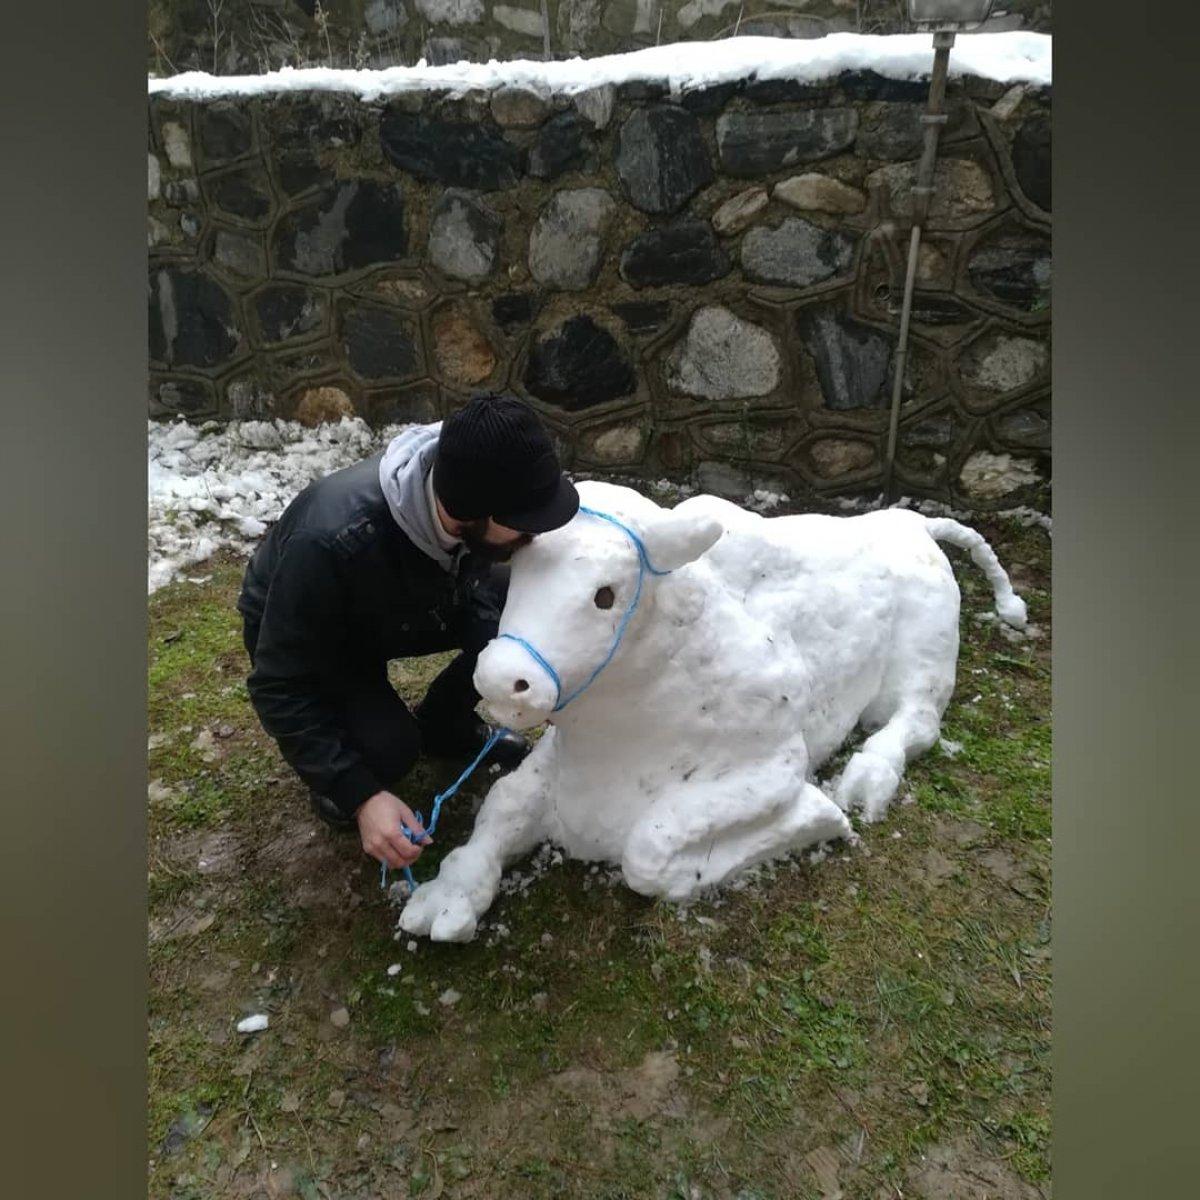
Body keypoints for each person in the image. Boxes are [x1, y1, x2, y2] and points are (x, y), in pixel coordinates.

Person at [237, 392, 579, 874]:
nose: (535, 535)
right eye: (524, 523)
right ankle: (343, 785)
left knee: (513, 613)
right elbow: (278, 683)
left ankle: (444, 724)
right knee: (390, 750)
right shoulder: (332, 542)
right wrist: (360, 796)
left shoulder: (473, 472)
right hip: (320, 635)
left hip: (408, 598)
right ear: (468, 516)